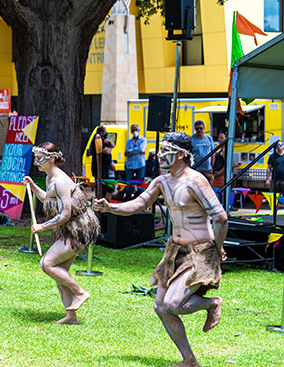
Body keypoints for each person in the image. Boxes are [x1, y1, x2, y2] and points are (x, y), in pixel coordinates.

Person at [95, 132, 227, 367]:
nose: (159, 155)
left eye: (166, 151)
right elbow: (138, 204)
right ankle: (189, 360)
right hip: (174, 251)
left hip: (200, 252)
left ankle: (212, 303)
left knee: (173, 304)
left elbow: (221, 217)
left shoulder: (196, 181)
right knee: (160, 306)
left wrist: (216, 247)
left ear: (181, 154)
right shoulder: (161, 181)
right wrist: (110, 207)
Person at [23, 143, 100, 324]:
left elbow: (65, 214)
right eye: (35, 158)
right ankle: (71, 316)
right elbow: (47, 198)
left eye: (39, 158)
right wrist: (33, 186)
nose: (36, 162)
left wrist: (43, 227)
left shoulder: (60, 181)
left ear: (51, 158)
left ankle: (80, 293)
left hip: (78, 230)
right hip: (70, 229)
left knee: (47, 263)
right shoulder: (51, 178)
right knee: (60, 272)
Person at [124, 124, 146, 201]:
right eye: (133, 130)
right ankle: (128, 201)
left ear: (139, 130)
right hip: (130, 165)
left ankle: (141, 202)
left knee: (140, 185)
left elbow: (142, 149)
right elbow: (125, 153)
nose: (134, 132)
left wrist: (130, 151)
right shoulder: (129, 141)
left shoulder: (143, 140)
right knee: (128, 185)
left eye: (136, 130)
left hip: (140, 165)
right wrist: (136, 151)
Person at [191, 120, 215, 185]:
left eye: (201, 128)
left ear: (204, 128)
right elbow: (189, 155)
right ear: (195, 129)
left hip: (208, 170)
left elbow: (213, 154)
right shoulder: (191, 139)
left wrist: (212, 167)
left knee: (209, 188)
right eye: (197, 128)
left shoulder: (209, 138)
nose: (199, 130)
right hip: (196, 170)